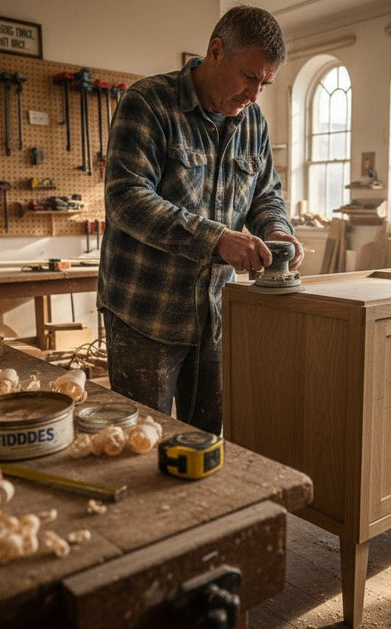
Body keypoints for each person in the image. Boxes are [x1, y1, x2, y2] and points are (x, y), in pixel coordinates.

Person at [97, 5, 303, 436]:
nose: (254, 94)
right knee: (140, 441)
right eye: (249, 76)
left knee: (203, 441)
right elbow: (126, 199)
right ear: (215, 52)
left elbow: (265, 194)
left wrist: (277, 228)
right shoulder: (148, 103)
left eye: (266, 83)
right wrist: (216, 240)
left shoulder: (253, 123)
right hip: (145, 315)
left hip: (215, 317)